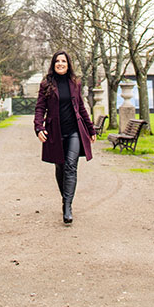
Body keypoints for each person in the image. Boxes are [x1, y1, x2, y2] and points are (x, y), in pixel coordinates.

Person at [34, 51, 96, 224]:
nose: (60, 64)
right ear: (53, 64)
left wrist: (90, 130)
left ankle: (67, 207)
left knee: (70, 166)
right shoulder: (46, 84)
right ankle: (65, 198)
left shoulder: (75, 83)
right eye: (57, 61)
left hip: (74, 131)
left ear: (68, 64)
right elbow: (40, 108)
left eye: (64, 61)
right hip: (55, 132)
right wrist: (38, 127)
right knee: (60, 167)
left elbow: (81, 108)